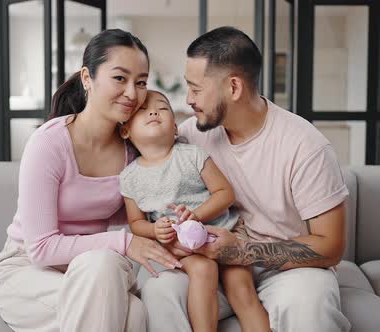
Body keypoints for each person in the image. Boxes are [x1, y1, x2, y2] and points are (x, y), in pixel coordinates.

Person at [140, 26, 352, 332]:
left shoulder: (305, 146)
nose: (188, 99)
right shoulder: (189, 136)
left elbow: (330, 246)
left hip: (286, 269)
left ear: (234, 87)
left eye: (196, 89)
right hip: (211, 268)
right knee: (161, 292)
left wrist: (242, 251)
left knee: (310, 305)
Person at [0, 29, 181, 332]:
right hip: (29, 270)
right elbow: (40, 248)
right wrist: (125, 242)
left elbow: (138, 214)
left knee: (107, 273)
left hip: (94, 270)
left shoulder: (133, 151)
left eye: (141, 82)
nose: (132, 93)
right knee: (130, 312)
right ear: (87, 78)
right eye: (120, 78)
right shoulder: (49, 143)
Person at [119, 90, 271, 332]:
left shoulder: (192, 155)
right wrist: (155, 229)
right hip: (183, 246)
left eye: (162, 108)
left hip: (224, 231)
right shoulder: (129, 178)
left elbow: (225, 193)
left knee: (241, 288)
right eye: (142, 110)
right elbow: (136, 223)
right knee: (204, 268)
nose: (154, 111)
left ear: (176, 128)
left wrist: (197, 215)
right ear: (125, 130)